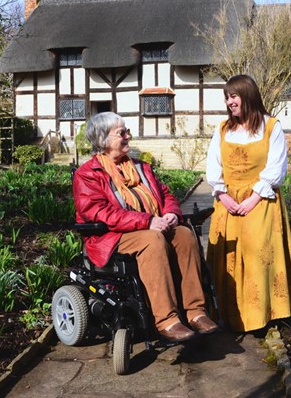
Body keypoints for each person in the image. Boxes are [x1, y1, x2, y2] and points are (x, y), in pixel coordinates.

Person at [73, 111, 218, 342]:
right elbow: (99, 212)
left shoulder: (141, 167)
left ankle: (195, 311)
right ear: (104, 140)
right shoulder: (87, 174)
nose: (128, 136)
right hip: (111, 236)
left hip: (151, 227)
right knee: (153, 240)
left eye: (127, 131)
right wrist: (147, 221)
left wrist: (171, 212)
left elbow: (165, 193)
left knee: (183, 234)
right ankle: (166, 320)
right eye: (122, 133)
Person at [205, 74, 291, 333]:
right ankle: (226, 314)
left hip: (261, 202)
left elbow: (276, 168)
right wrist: (223, 195)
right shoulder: (223, 129)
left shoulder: (271, 127)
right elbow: (213, 166)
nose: (229, 102)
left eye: (233, 96)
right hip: (227, 203)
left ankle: (259, 319)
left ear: (247, 95)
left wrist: (253, 199)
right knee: (228, 259)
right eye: (227, 97)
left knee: (258, 257)